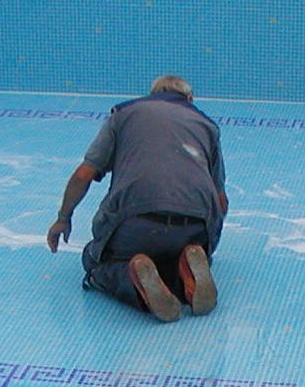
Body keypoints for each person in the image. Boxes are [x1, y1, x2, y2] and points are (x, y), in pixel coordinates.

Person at [46, 74, 227, 322]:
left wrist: (63, 218)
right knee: (173, 256)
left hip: (136, 222)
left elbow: (84, 174)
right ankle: (186, 266)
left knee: (95, 260)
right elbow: (221, 200)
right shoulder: (207, 125)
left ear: (152, 95)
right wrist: (208, 246)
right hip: (193, 225)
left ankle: (135, 281)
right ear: (189, 99)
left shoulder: (124, 114)